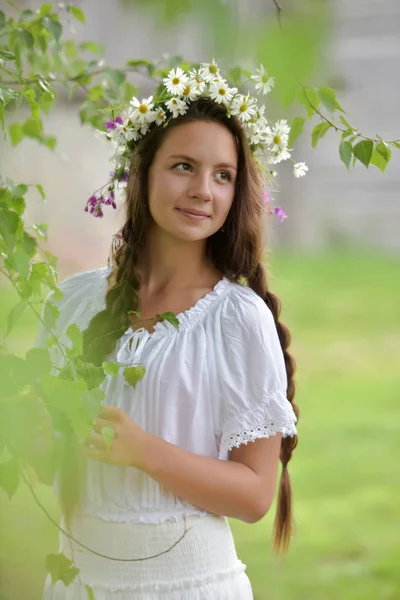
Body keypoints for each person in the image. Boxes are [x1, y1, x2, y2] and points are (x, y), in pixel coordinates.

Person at [38, 61, 299, 599]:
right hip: (77, 582)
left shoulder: (237, 319)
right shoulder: (72, 302)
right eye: (184, 166)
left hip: (187, 585)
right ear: (142, 170)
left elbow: (253, 496)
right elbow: (49, 461)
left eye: (223, 175)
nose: (203, 190)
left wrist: (143, 451)